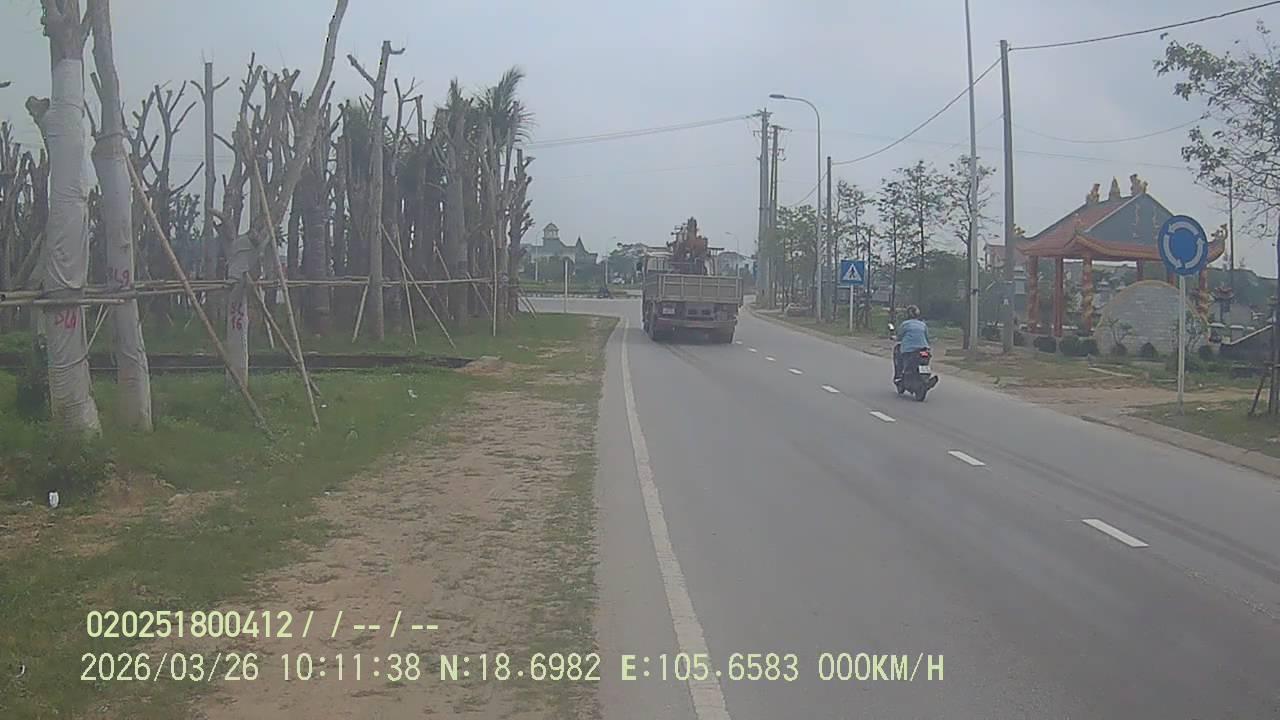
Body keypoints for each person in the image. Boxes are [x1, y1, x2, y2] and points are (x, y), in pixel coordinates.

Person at [894, 305, 931, 382]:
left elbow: (899, 336)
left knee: (902, 361)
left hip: (909, 350)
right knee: (925, 363)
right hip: (924, 349)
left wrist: (895, 338)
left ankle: (900, 377)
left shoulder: (905, 324)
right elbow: (927, 337)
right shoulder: (923, 324)